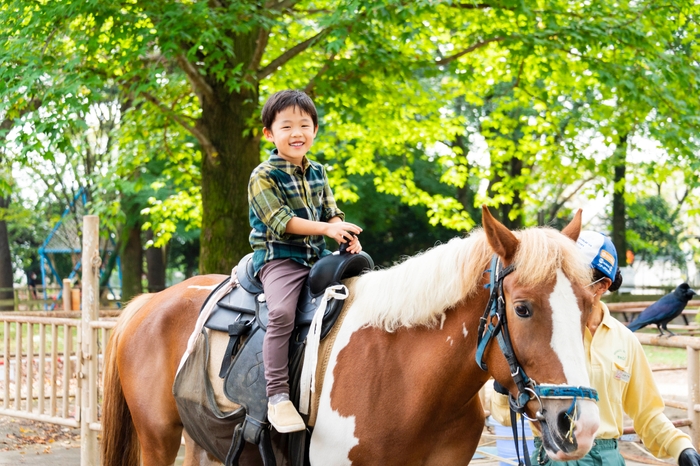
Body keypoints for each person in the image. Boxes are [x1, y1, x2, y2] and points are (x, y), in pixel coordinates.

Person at [491, 230, 700, 466]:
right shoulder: (544, 334)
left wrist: (682, 449)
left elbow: (648, 415)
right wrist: (504, 381)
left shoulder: (624, 341)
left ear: (602, 286)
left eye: (574, 273)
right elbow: (503, 417)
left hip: (607, 457)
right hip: (556, 453)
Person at [248, 89, 363, 433]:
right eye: (286, 126)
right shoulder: (263, 175)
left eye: (304, 125)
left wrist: (344, 233)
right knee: (282, 313)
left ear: (314, 130)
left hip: (318, 257)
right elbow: (282, 222)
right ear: (270, 133)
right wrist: (328, 230)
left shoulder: (319, 172)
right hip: (280, 258)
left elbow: (331, 213)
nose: (296, 133)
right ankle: (277, 396)